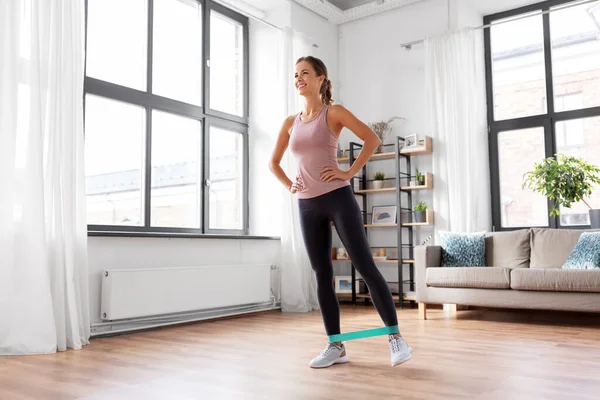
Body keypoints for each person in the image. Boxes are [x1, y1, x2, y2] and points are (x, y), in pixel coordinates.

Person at [268, 55, 413, 368]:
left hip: (338, 197)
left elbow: (371, 139)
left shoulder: (333, 112)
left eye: (305, 73)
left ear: (321, 78)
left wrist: (348, 173)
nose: (299, 79)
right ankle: (336, 345)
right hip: (307, 204)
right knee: (322, 274)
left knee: (365, 265)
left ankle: (395, 338)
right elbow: (274, 162)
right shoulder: (290, 123)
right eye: (295, 75)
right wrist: (290, 184)